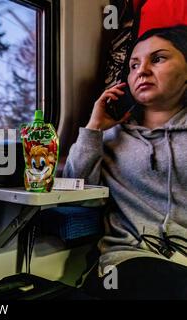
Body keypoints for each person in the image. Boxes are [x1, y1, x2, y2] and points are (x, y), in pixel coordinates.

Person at [63, 25, 187, 299]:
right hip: (128, 258)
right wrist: (94, 128)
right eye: (133, 65)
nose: (141, 71)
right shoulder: (111, 138)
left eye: (158, 59)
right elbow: (72, 193)